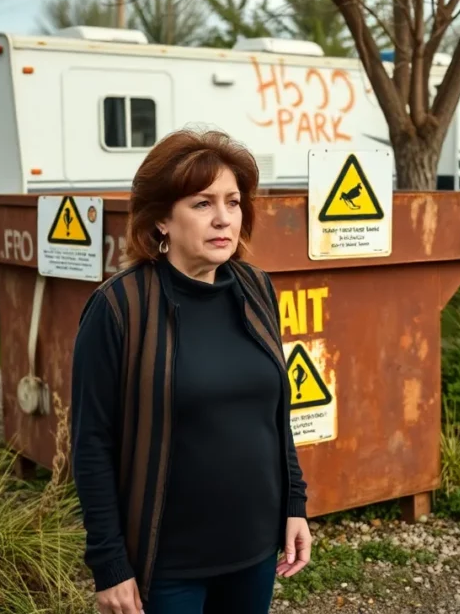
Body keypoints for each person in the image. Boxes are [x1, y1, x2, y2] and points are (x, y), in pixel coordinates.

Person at [69, 129, 312, 614]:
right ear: (161, 218)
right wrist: (110, 564)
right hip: (166, 565)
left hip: (253, 551)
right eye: (202, 204)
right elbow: (91, 443)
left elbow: (275, 413)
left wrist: (294, 503)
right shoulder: (119, 307)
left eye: (233, 202)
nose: (224, 218)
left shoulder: (255, 288)